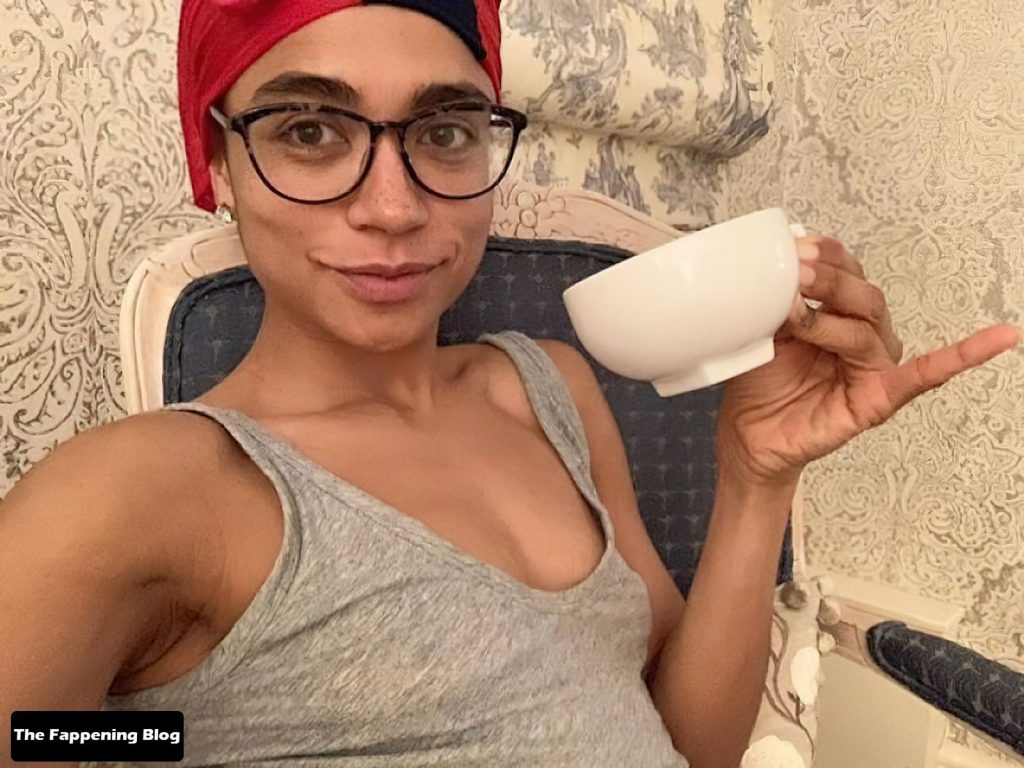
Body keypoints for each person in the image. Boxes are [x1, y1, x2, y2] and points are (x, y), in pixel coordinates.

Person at [0, 1, 1018, 767]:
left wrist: (757, 477)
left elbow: (683, 741)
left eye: (443, 132)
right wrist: (171, 743)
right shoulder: (137, 493)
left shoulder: (548, 389)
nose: (393, 207)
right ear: (218, 162)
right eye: (310, 131)